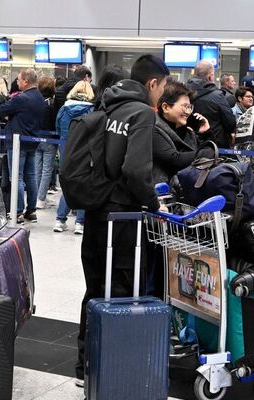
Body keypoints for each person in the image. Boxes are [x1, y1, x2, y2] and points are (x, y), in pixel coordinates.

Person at [75, 55, 169, 386]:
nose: (162, 95)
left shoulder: (106, 107)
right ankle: (116, 364)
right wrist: (153, 202)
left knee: (95, 286)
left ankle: (85, 362)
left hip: (96, 212)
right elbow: (135, 169)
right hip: (124, 218)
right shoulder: (141, 113)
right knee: (123, 287)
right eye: (163, 87)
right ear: (152, 84)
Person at [0, 69, 48, 223]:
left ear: (26, 81)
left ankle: (17, 211)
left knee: (17, 177)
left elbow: (1, 110)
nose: (17, 82)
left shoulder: (21, 98)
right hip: (33, 141)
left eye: (19, 80)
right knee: (31, 177)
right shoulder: (40, 98)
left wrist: (10, 115)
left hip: (17, 142)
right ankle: (31, 211)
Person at [153, 80, 216, 187]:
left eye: (189, 107)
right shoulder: (153, 128)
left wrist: (206, 133)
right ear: (166, 107)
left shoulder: (188, 132)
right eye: (184, 106)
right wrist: (206, 153)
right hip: (161, 194)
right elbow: (175, 159)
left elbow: (212, 151)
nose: (188, 112)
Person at [53, 80, 96, 234]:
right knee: (84, 184)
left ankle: (60, 220)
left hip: (66, 148)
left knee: (66, 184)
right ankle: (79, 223)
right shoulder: (92, 110)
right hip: (84, 150)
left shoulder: (64, 109)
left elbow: (57, 128)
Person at [186, 60, 237, 149]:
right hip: (214, 145)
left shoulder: (183, 93)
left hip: (188, 143)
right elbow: (230, 123)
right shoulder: (217, 96)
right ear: (210, 77)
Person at [35, 75, 59, 209]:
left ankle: (37, 197)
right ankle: (41, 198)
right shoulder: (52, 103)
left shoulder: (36, 101)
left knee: (37, 168)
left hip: (35, 138)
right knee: (47, 170)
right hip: (50, 139)